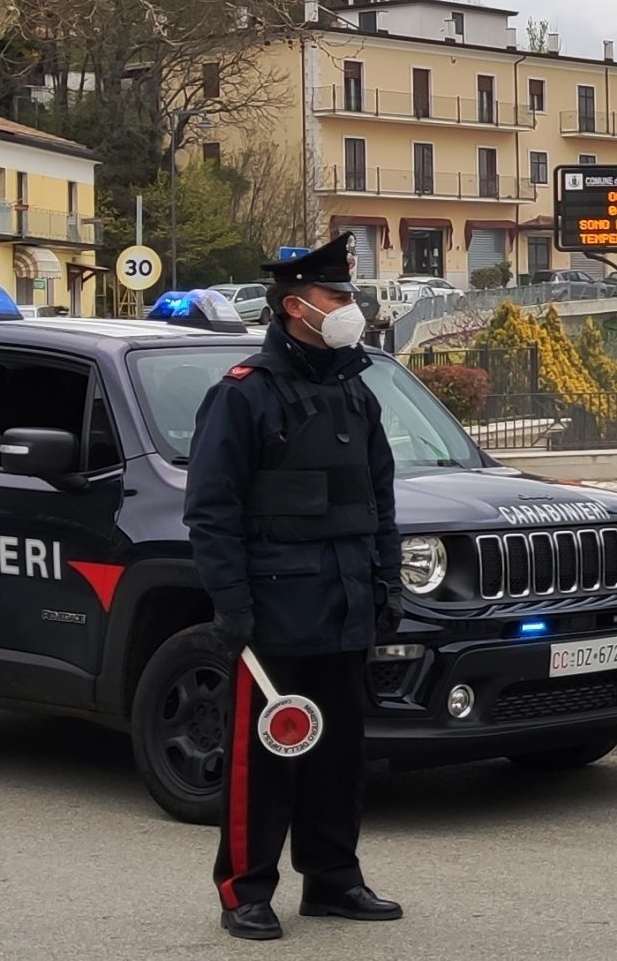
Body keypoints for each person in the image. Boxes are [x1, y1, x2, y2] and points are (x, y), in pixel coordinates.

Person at [184, 235, 405, 941]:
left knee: (339, 754)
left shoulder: (354, 390)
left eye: (349, 296)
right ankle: (244, 889)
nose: (350, 308)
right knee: (264, 755)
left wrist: (386, 581)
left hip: (343, 605)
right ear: (295, 306)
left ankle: (333, 878)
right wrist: (232, 602)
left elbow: (380, 497)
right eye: (337, 297)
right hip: (275, 610)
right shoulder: (243, 394)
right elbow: (211, 510)